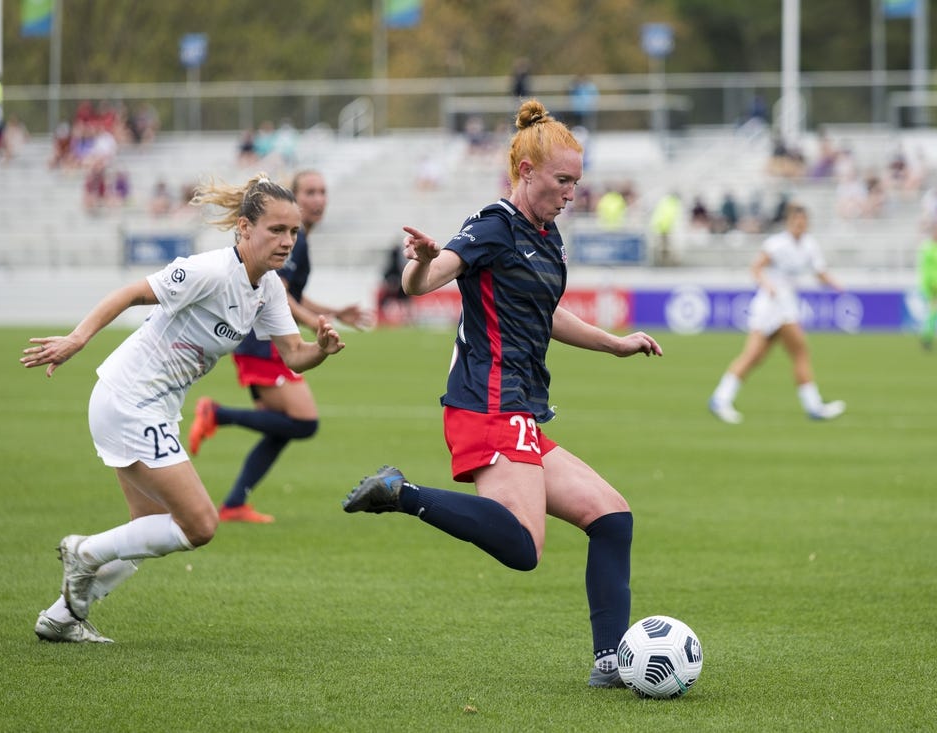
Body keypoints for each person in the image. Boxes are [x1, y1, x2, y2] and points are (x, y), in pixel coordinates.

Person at [341, 99, 663, 689]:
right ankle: (401, 493)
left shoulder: (547, 235)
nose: (572, 193)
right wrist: (419, 264)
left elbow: (547, 313)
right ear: (526, 173)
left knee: (612, 517)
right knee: (523, 546)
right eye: (563, 181)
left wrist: (614, 344)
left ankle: (611, 662)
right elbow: (426, 282)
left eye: (576, 182)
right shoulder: (493, 224)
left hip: (520, 409)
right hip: (487, 403)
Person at [21, 173, 345, 643]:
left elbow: (294, 355)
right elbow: (131, 293)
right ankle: (84, 553)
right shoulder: (211, 271)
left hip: (150, 406)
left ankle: (61, 616)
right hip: (129, 400)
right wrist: (77, 339)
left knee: (146, 530)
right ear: (244, 227)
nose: (287, 241)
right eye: (276, 230)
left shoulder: (269, 287)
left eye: (292, 232)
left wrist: (321, 349)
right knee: (200, 525)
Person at [190, 170, 372, 523]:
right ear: (293, 199)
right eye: (309, 192)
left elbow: (288, 295)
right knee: (304, 423)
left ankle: (233, 503)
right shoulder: (295, 239)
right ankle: (217, 414)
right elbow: (281, 296)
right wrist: (314, 323)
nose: (317, 199)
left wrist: (333, 312)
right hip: (263, 343)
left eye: (322, 192)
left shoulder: (296, 239)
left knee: (283, 427)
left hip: (261, 340)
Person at [708, 203, 845, 423]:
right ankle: (813, 406)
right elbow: (756, 268)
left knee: (756, 356)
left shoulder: (809, 245)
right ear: (788, 223)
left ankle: (720, 397)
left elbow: (819, 272)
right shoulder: (776, 244)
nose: (799, 226)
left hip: (785, 304)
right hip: (770, 305)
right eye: (796, 222)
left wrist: (836, 285)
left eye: (803, 222)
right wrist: (767, 284)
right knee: (798, 351)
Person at [917, 221, 937, 351]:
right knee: (934, 310)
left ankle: (928, 336)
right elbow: (927, 270)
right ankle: (927, 338)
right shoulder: (929, 249)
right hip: (931, 285)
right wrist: (933, 285)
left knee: (934, 311)